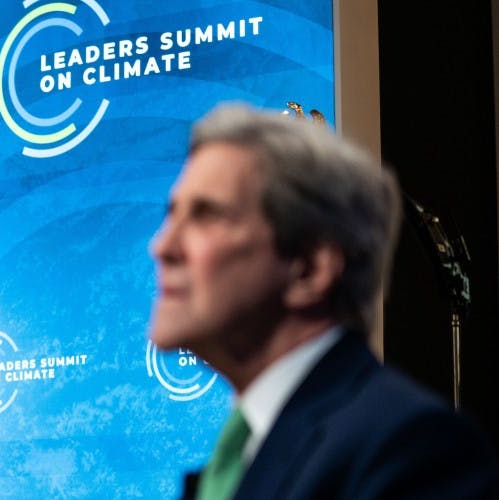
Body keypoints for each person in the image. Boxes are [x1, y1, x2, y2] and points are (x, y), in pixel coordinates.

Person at [149, 103, 499, 499]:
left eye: (207, 216)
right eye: (171, 215)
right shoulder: (239, 458)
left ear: (310, 269)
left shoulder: (409, 448)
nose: (162, 246)